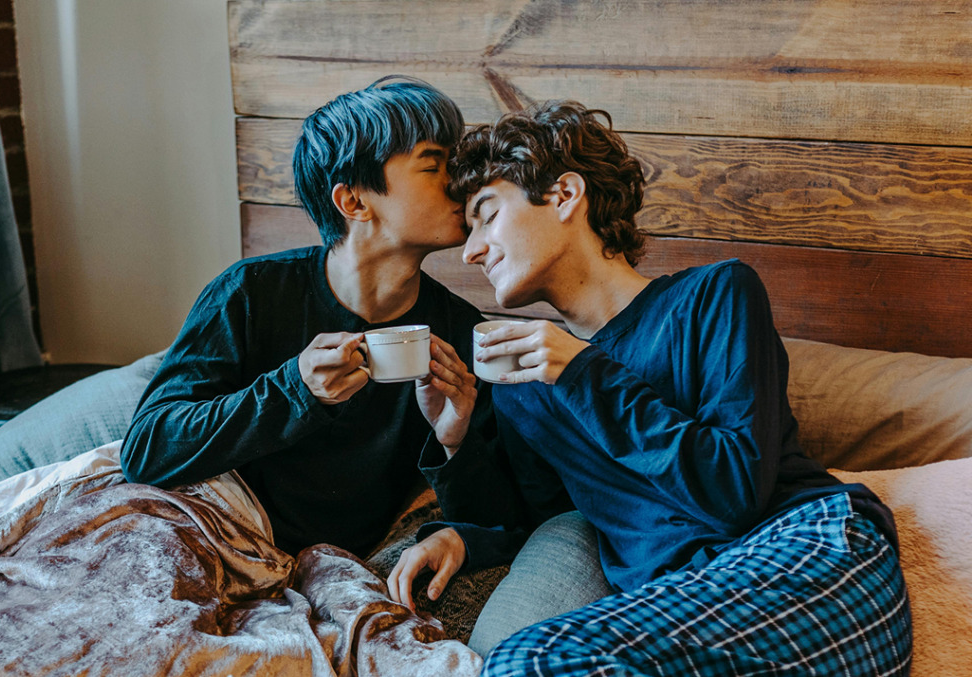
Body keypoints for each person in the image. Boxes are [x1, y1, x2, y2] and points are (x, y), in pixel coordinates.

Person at [389, 101, 913, 675]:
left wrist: (584, 373)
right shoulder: (523, 383)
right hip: (681, 613)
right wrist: (455, 443)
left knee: (529, 661)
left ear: (565, 195)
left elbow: (736, 493)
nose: (471, 251)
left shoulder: (714, 296)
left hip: (810, 555)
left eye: (487, 215)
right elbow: (538, 520)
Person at [120, 76, 512, 565]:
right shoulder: (250, 294)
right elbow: (147, 450)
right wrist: (296, 391)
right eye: (434, 166)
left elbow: (500, 522)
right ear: (353, 202)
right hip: (220, 539)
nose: (462, 181)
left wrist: (454, 439)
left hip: (354, 566)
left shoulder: (461, 335)